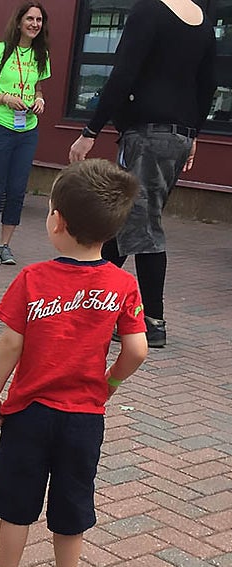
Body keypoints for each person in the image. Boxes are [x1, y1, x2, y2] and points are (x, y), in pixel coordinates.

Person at [0, 159, 148, 567]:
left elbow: (11, 343)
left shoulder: (33, 278)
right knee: (72, 504)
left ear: (57, 220)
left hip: (28, 412)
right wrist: (109, 383)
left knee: (16, 504)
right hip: (83, 417)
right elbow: (137, 349)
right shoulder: (123, 284)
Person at [68, 0, 217, 349]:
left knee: (144, 224)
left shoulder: (148, 11)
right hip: (177, 137)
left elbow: (123, 74)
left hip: (148, 135)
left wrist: (90, 130)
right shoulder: (203, 21)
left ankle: (153, 321)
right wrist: (193, 134)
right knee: (126, 220)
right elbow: (208, 84)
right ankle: (90, 307)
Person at [0, 2, 51, 266]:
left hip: (27, 129)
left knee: (17, 189)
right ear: (19, 22)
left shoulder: (41, 54)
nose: (34, 24)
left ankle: (6, 245)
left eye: (39, 20)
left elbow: (38, 88)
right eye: (30, 19)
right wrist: (6, 98)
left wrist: (39, 99)